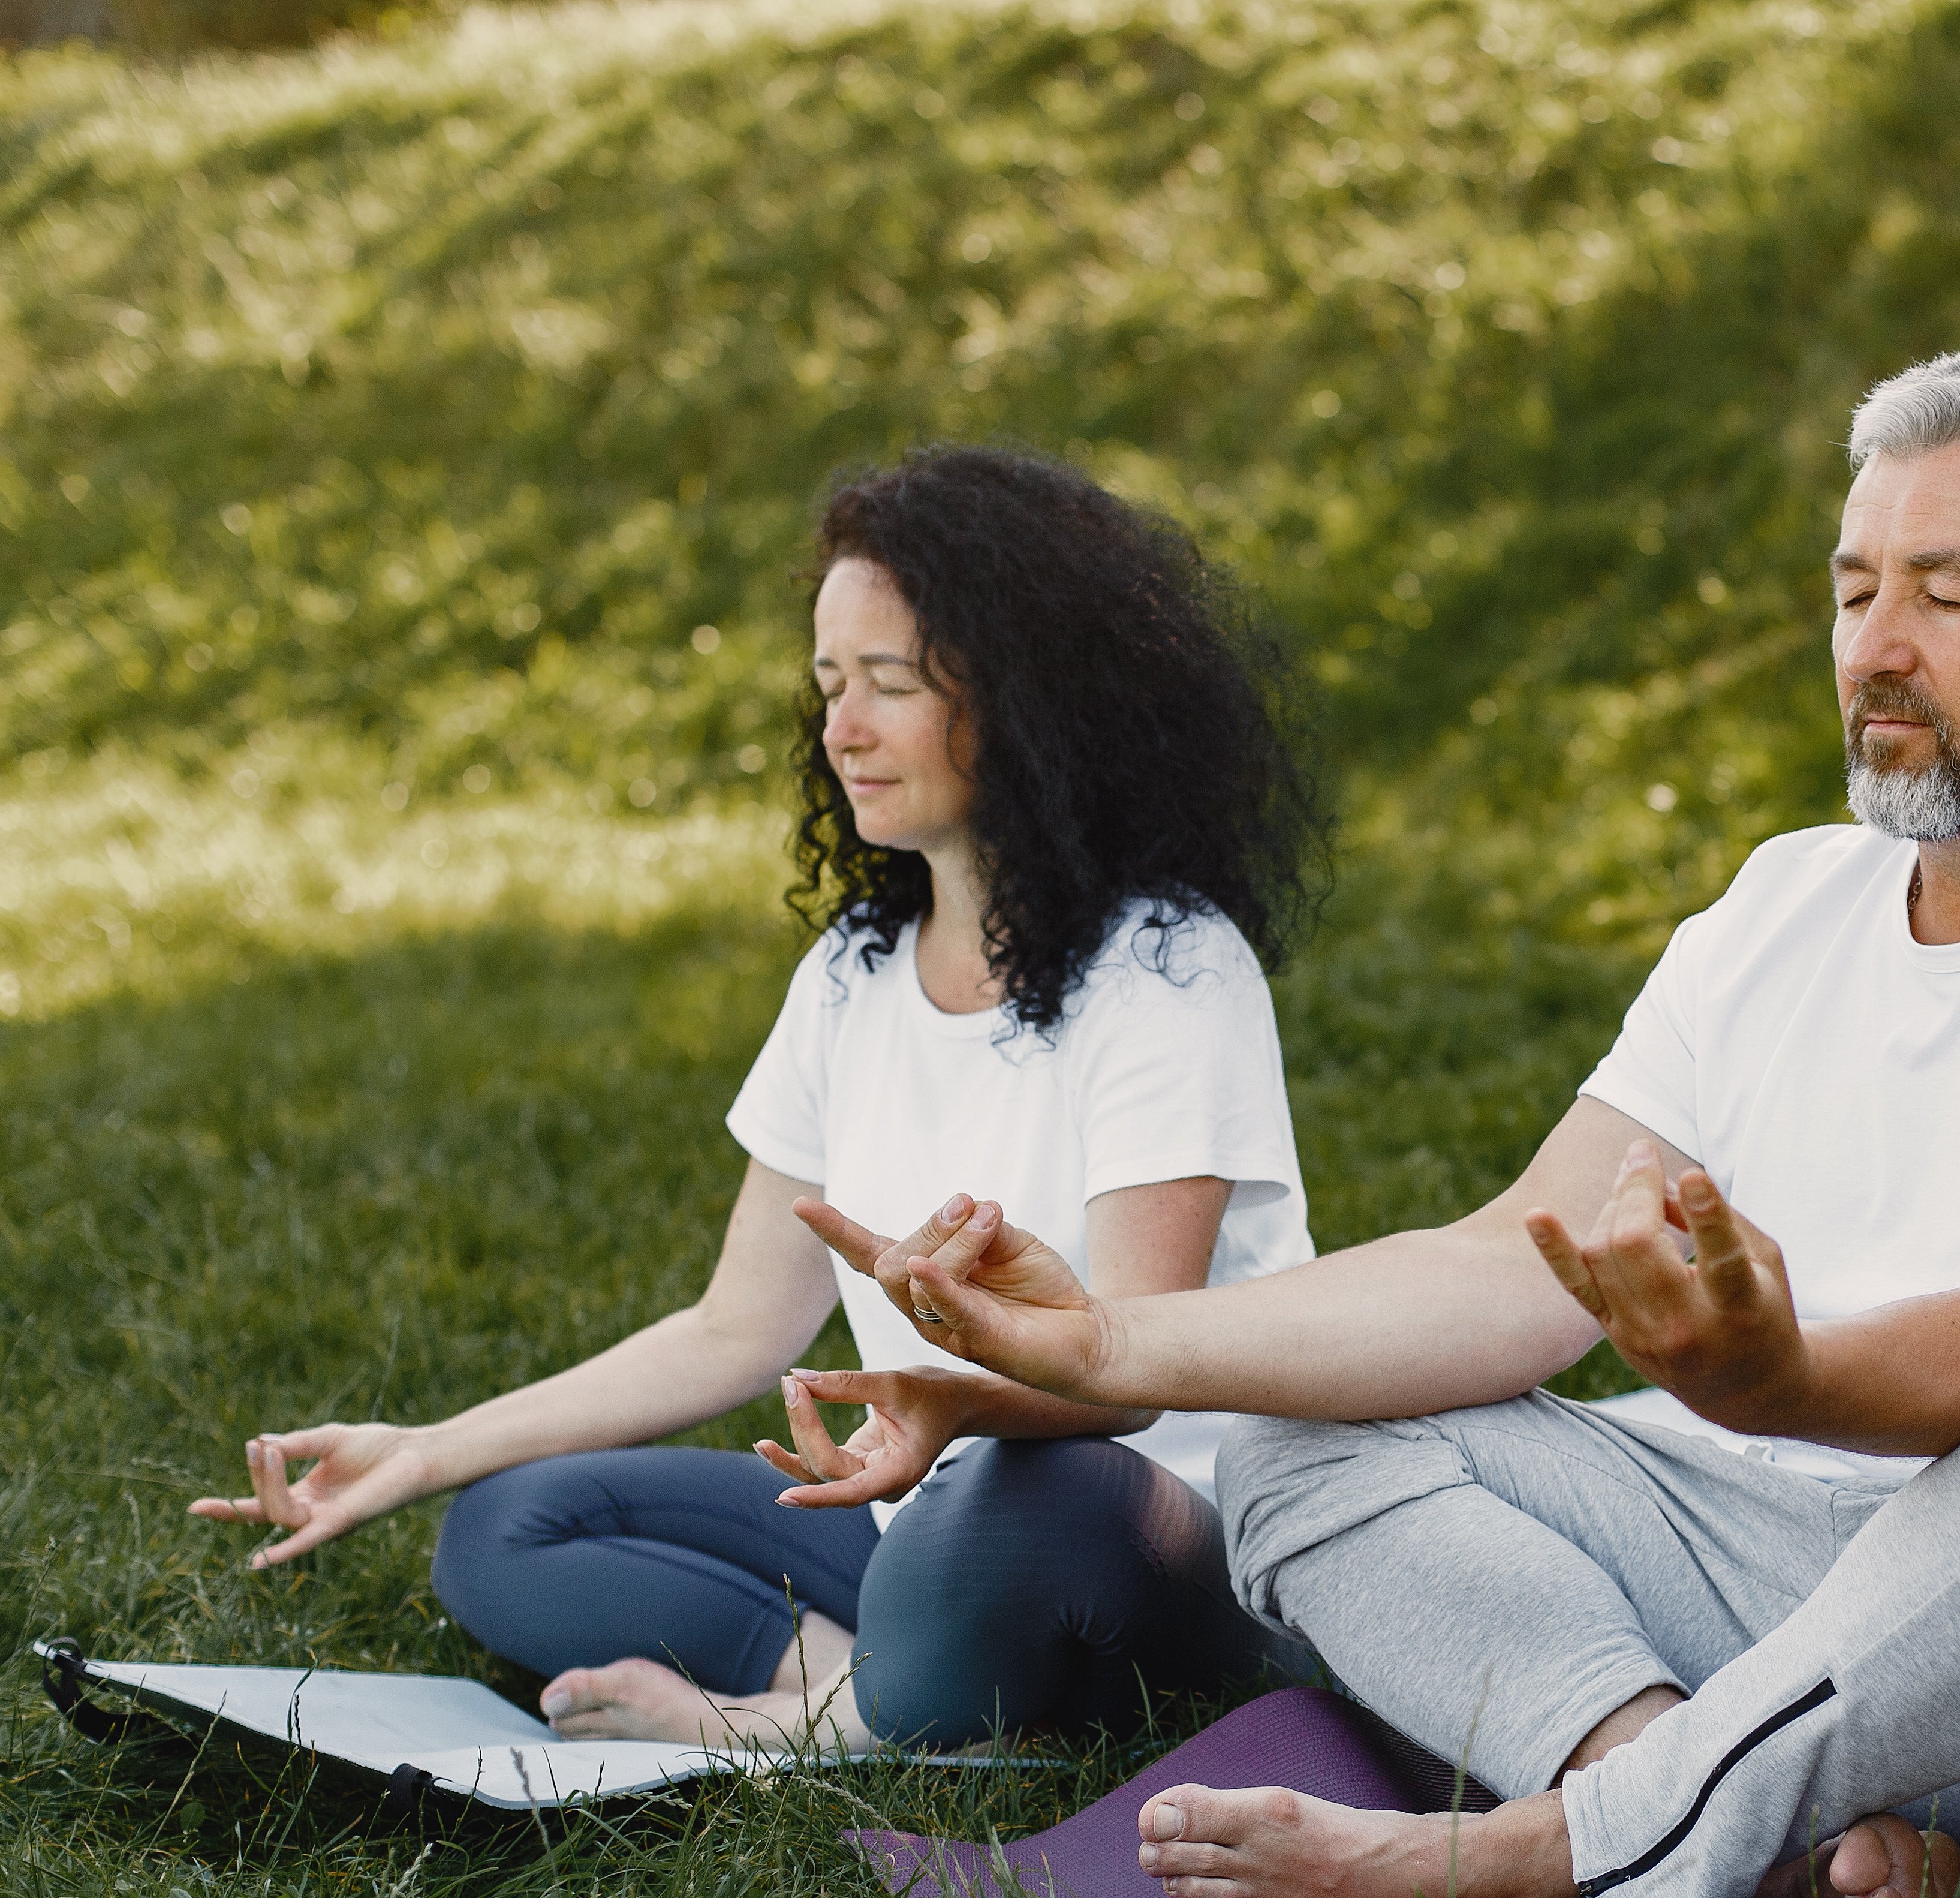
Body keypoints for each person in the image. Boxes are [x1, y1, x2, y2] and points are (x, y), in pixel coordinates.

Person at [806, 354, 1960, 1898]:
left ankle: (1560, 1846)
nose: (1875, 650)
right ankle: (1741, 1829)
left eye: (1945, 599)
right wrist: (1105, 1340)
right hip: (1826, 1630)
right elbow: (1509, 1262)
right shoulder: (1779, 910)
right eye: (1851, 591)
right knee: (1309, 1441)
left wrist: (1779, 1375)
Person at [194, 446, 1327, 1756]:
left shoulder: (1169, 970)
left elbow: (1126, 1379)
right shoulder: (852, 974)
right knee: (508, 1526)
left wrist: (947, 1403)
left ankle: (786, 1729)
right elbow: (737, 1328)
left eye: (891, 686)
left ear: (1035, 704)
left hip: (1144, 1535)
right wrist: (431, 1446)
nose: (841, 728)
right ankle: (844, 1682)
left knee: (1023, 1503)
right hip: (913, 1515)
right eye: (830, 683)